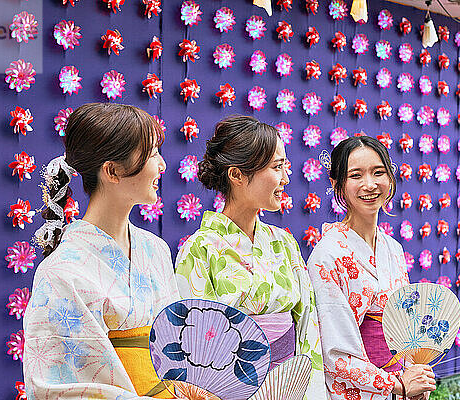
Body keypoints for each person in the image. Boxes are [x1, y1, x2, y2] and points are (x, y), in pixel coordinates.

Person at [23, 103, 180, 399]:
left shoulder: (155, 250)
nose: (162, 166)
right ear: (113, 171)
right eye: (152, 154)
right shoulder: (62, 272)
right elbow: (58, 386)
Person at [175, 115, 328, 399]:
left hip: (290, 388)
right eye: (277, 167)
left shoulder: (284, 243)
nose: (286, 178)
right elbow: (193, 349)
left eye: (285, 166)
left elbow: (307, 326)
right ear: (236, 175)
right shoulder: (199, 249)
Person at [306, 136, 437, 400]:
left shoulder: (393, 249)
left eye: (378, 172)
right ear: (337, 185)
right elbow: (335, 353)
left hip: (401, 385)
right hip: (358, 390)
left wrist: (414, 376)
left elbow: (405, 327)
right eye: (356, 175)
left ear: (390, 177)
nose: (369, 184)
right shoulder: (327, 255)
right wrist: (395, 385)